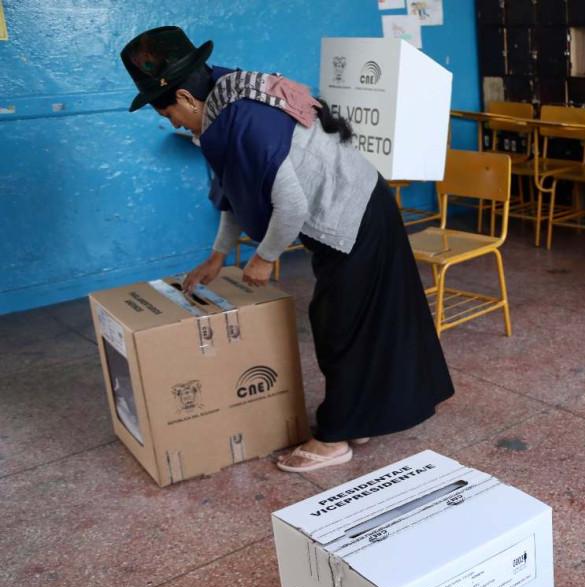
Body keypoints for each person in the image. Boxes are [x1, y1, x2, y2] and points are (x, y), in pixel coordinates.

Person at [120, 26, 453, 472]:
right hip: (355, 208)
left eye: (169, 116)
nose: (174, 124)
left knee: (339, 325)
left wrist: (264, 257)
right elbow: (236, 191)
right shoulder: (224, 107)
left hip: (353, 217)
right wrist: (219, 256)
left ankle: (335, 438)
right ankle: (364, 417)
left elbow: (291, 206)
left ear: (184, 97)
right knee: (361, 319)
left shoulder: (247, 122)